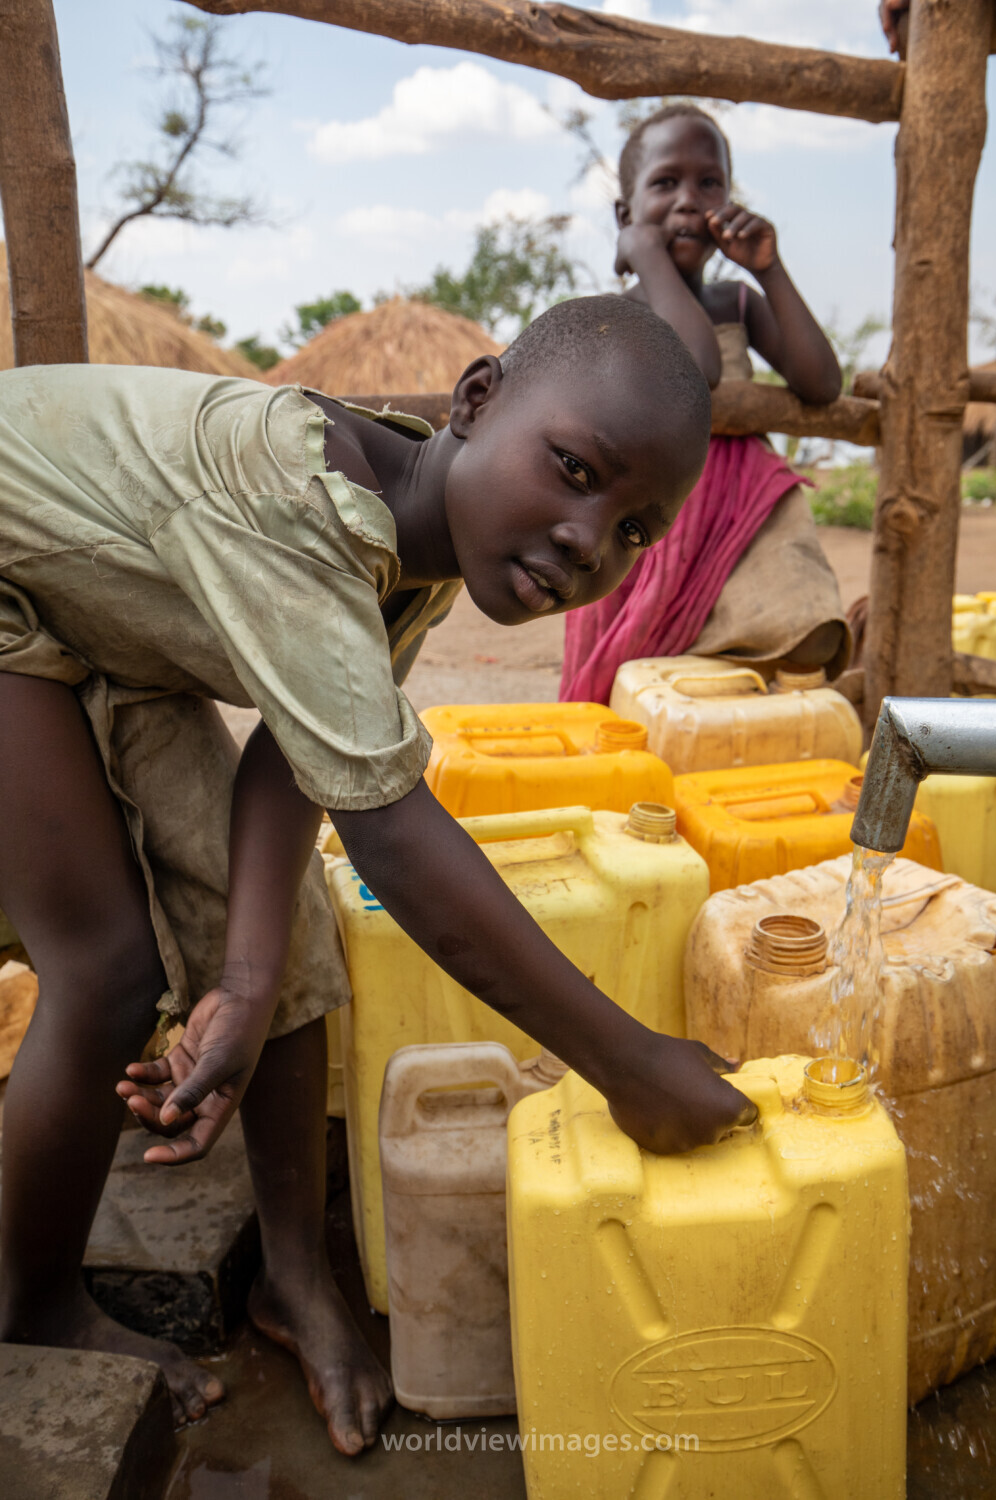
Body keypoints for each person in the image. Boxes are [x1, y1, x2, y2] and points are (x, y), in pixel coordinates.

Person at [0, 295, 756, 1454]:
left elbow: (293, 767)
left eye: (631, 532)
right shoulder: (292, 503)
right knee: (104, 964)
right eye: (571, 469)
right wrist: (628, 1063)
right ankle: (31, 1301)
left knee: (288, 937)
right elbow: (393, 834)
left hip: (93, 613)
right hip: (18, 587)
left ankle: (292, 1281)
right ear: (474, 398)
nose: (584, 540)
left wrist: (247, 980)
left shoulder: (418, 544)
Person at [560, 104, 851, 705]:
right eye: (666, 183)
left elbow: (821, 382)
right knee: (653, 686)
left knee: (799, 633)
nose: (690, 200)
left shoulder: (736, 302)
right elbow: (699, 368)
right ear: (626, 213)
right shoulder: (619, 315)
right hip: (662, 519)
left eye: (709, 182)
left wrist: (769, 269)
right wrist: (647, 256)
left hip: (746, 512)